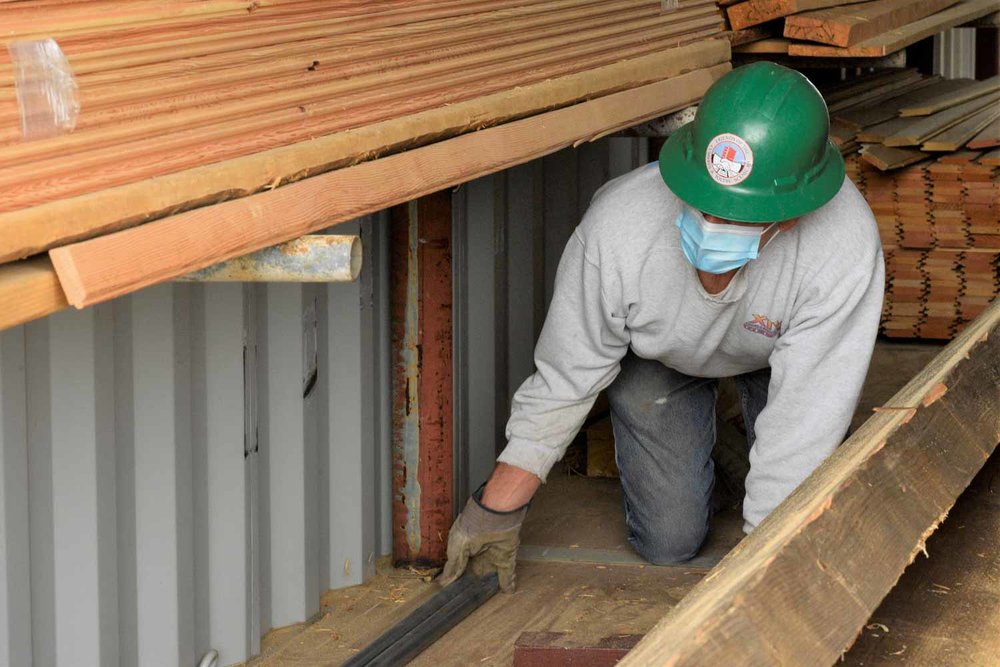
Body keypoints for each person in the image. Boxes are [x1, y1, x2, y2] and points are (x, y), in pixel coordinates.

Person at [439, 62, 885, 592]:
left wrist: (761, 580)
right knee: (668, 543)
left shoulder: (840, 247)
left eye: (736, 215)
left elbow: (803, 429)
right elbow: (569, 370)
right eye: (704, 203)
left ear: (788, 216)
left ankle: (738, 442)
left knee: (795, 498)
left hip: (779, 360)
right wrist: (498, 507)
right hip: (662, 357)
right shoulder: (618, 226)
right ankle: (721, 452)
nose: (711, 225)